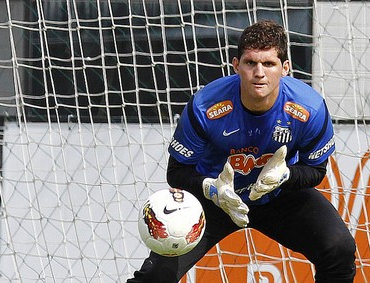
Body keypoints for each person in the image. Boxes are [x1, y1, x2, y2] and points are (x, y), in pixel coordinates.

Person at [127, 20, 357, 283]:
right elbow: (177, 172)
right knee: (155, 275)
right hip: (215, 200)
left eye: (269, 64)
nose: (259, 72)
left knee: (339, 250)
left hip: (278, 197)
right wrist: (212, 189)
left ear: (285, 68)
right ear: (236, 65)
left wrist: (284, 176)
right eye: (251, 63)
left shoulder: (310, 109)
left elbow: (315, 170)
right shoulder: (205, 107)